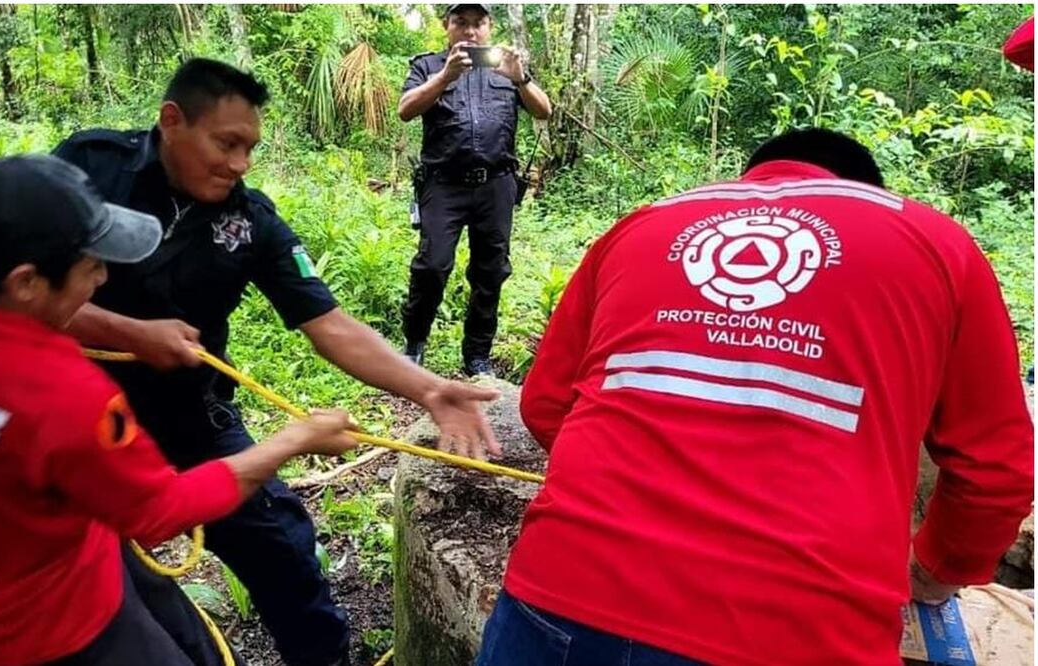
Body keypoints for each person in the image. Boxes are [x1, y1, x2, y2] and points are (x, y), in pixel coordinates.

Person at [477, 129, 1034, 665]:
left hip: (562, 590)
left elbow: (547, 403)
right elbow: (995, 472)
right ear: (869, 188)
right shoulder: (936, 242)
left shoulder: (641, 225)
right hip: (805, 629)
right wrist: (938, 569)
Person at [52, 58, 501, 666]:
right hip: (78, 419)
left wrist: (428, 390)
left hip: (191, 413)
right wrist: (131, 334)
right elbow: (14, 296)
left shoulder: (250, 220)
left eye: (250, 149)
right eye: (226, 143)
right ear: (171, 121)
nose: (238, 164)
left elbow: (331, 325)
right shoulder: (88, 168)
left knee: (285, 550)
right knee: (118, 591)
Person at [0, 155, 359, 666]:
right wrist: (296, 439)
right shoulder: (61, 393)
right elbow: (159, 510)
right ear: (25, 282)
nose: (102, 275)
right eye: (90, 262)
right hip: (61, 630)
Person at [398, 3, 552, 376]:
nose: (470, 31)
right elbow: (405, 109)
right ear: (446, 26)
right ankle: (414, 345)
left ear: (489, 27)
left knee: (490, 271)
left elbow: (544, 111)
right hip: (443, 184)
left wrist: (520, 79)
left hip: (496, 185)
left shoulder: (506, 68)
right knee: (432, 266)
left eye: (477, 24)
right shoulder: (428, 66)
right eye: (461, 23)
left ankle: (477, 356)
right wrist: (445, 77)